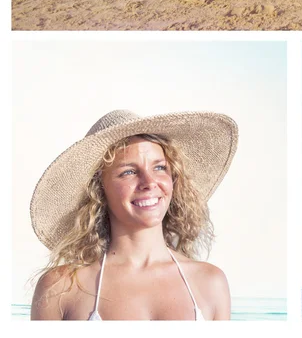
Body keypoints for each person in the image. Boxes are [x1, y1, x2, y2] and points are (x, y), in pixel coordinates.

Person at [30, 109, 238, 320]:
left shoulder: (210, 283)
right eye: (128, 172)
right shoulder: (61, 289)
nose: (149, 183)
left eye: (159, 167)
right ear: (98, 189)